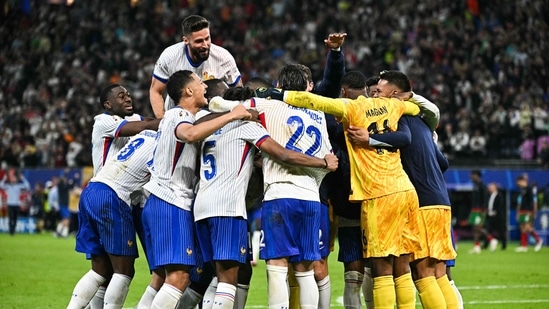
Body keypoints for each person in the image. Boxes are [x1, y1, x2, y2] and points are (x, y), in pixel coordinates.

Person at [249, 76, 439, 309]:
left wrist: (277, 94)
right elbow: (425, 109)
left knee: (381, 269)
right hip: (405, 191)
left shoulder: (351, 107)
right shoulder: (396, 106)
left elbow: (313, 101)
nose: (374, 93)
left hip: (378, 194)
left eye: (378, 90)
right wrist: (407, 97)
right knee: (402, 266)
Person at [194, 86, 337, 309]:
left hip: (201, 204)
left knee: (215, 272)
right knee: (230, 277)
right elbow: (282, 154)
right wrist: (323, 163)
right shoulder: (248, 126)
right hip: (229, 207)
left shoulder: (204, 124)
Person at [140, 70, 252, 308]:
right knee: (178, 277)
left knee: (166, 277)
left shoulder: (189, 118)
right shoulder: (178, 115)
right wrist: (232, 115)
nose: (205, 87)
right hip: (170, 200)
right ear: (189, 90)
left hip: (164, 202)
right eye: (200, 83)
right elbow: (189, 134)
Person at [360, 70, 458, 308]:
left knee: (422, 273)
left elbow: (401, 140)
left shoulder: (397, 118)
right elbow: (443, 163)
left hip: (421, 202)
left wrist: (371, 141)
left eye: (380, 92)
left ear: (394, 94)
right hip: (441, 200)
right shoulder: (422, 122)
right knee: (439, 273)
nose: (376, 97)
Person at [67, 130, 158, 309]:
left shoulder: (145, 135)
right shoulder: (165, 143)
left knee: (100, 271)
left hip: (91, 190)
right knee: (124, 271)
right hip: (112, 196)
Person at [90, 83, 160, 307]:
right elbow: (142, 127)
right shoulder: (103, 121)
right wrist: (177, 119)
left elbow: (147, 123)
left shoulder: (137, 119)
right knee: (113, 271)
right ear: (108, 104)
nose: (127, 98)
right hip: (110, 197)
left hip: (132, 199)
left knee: (109, 271)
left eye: (128, 94)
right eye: (121, 97)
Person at [149, 14, 243, 118]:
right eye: (199, 41)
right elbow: (155, 91)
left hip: (214, 121)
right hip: (177, 119)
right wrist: (162, 121)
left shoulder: (223, 58)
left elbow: (239, 91)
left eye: (207, 38)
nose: (205, 45)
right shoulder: (169, 57)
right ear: (186, 41)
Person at [515, 174, 544, 252]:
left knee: (527, 227)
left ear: (522, 181)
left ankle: (538, 240)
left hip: (527, 211)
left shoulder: (529, 189)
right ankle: (524, 246)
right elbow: (520, 202)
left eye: (519, 182)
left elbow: (532, 201)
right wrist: (518, 213)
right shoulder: (522, 190)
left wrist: (532, 211)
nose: (518, 184)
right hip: (522, 211)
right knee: (522, 228)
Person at [0, 169, 30, 235]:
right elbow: (1, 185)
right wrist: (4, 178)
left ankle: (13, 230)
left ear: (16, 179)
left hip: (16, 204)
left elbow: (27, 186)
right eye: (12, 178)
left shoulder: (19, 186)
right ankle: (11, 231)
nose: (13, 179)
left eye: (14, 178)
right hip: (10, 204)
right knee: (11, 218)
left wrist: (23, 178)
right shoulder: (8, 186)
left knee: (15, 218)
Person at [468, 170, 488, 254]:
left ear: (477, 175)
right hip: (474, 210)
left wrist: (483, 210)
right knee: (474, 228)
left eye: (472, 175)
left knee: (477, 228)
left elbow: (485, 199)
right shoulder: (475, 186)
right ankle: (477, 246)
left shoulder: (482, 186)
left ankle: (491, 239)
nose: (471, 177)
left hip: (479, 210)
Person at [484, 182, 507, 251]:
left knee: (501, 231)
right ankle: (486, 245)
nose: (489, 188)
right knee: (488, 230)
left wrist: (496, 212)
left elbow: (501, 206)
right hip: (490, 216)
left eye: (491, 187)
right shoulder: (489, 196)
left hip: (498, 217)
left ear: (495, 188)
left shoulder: (499, 195)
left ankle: (504, 245)